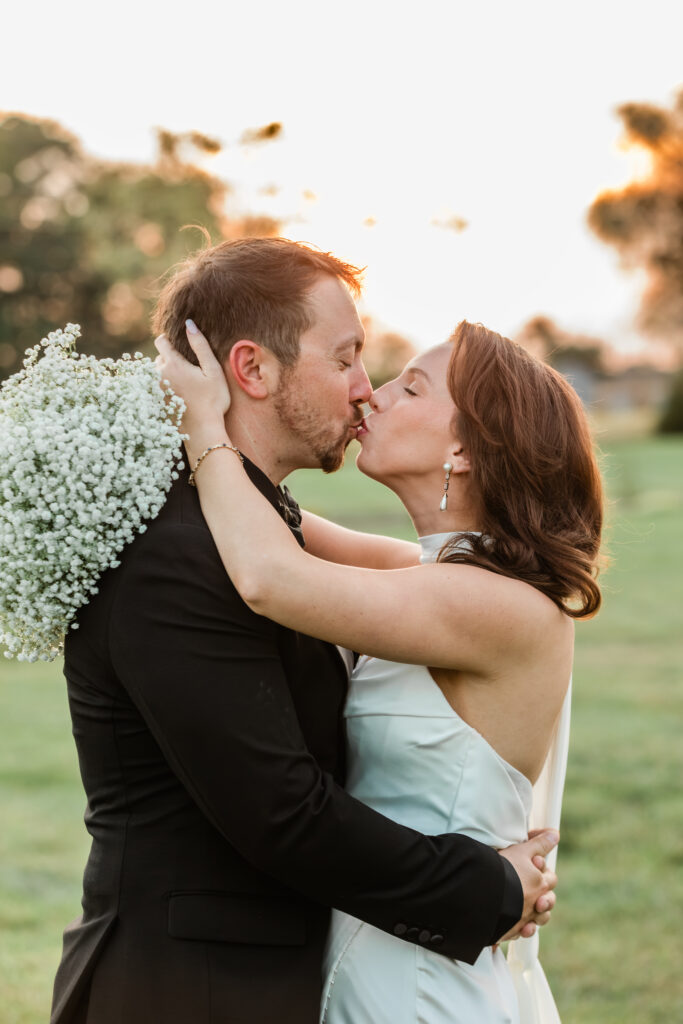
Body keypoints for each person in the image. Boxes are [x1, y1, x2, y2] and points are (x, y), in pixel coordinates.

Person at [51, 238, 557, 1024]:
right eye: (347, 357)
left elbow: (304, 560)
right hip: (188, 993)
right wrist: (485, 889)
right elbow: (282, 813)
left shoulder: (283, 542)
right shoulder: (178, 554)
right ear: (252, 370)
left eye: (392, 377)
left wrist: (205, 438)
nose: (366, 391)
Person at [154, 310, 603, 1024]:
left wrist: (202, 423)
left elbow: (270, 577)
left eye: (411, 388)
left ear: (462, 450)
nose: (373, 395)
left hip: (423, 990)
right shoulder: (432, 573)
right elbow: (277, 519)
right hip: (374, 955)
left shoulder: (502, 608)